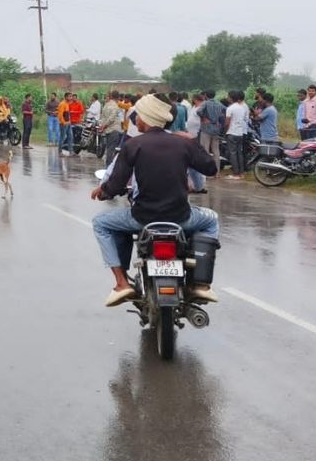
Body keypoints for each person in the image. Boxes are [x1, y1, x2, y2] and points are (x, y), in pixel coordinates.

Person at [90, 93, 220, 306]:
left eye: (138, 116)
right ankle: (201, 284)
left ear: (148, 118)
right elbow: (210, 168)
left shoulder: (133, 145)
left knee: (100, 224)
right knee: (211, 219)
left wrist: (103, 192)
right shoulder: (183, 144)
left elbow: (116, 184)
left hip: (142, 218)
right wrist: (193, 142)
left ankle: (122, 284)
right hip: (181, 217)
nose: (136, 120)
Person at [196, 90, 225, 168]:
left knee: (205, 150)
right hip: (216, 128)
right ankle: (217, 171)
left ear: (205, 95)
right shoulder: (219, 103)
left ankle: (207, 170)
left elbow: (198, 111)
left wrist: (204, 117)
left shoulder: (205, 103)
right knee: (216, 150)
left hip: (206, 128)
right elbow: (225, 110)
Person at [224, 90, 249, 179]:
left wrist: (225, 132)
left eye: (228, 96)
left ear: (231, 98)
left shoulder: (230, 108)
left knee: (233, 153)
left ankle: (235, 173)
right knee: (239, 153)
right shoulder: (242, 107)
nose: (227, 98)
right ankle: (241, 173)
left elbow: (227, 122)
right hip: (240, 133)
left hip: (232, 132)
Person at [186, 93, 207, 194]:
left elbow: (203, 120)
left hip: (197, 133)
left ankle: (200, 182)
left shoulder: (202, 107)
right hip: (190, 133)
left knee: (196, 157)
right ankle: (193, 183)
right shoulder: (193, 107)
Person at [99, 90, 124, 165]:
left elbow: (102, 116)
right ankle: (109, 167)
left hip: (107, 130)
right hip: (114, 130)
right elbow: (112, 118)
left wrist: (103, 126)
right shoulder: (115, 106)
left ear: (111, 96)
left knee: (109, 149)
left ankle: (108, 166)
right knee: (111, 150)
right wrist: (104, 126)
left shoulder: (106, 105)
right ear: (118, 97)